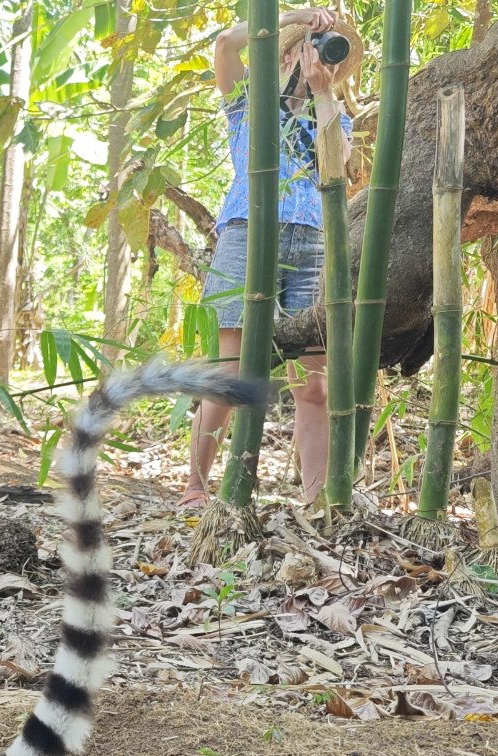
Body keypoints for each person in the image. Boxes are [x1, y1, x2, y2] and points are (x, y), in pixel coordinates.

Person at [184, 6, 358, 507]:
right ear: (284, 54)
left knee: (314, 386)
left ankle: (318, 499)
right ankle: (196, 488)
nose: (317, 59)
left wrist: (323, 93)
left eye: (327, 54)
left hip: (314, 242)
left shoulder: (334, 113)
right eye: (307, 49)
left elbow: (336, 166)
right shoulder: (249, 102)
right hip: (247, 233)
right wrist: (297, 15)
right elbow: (225, 44)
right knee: (231, 375)